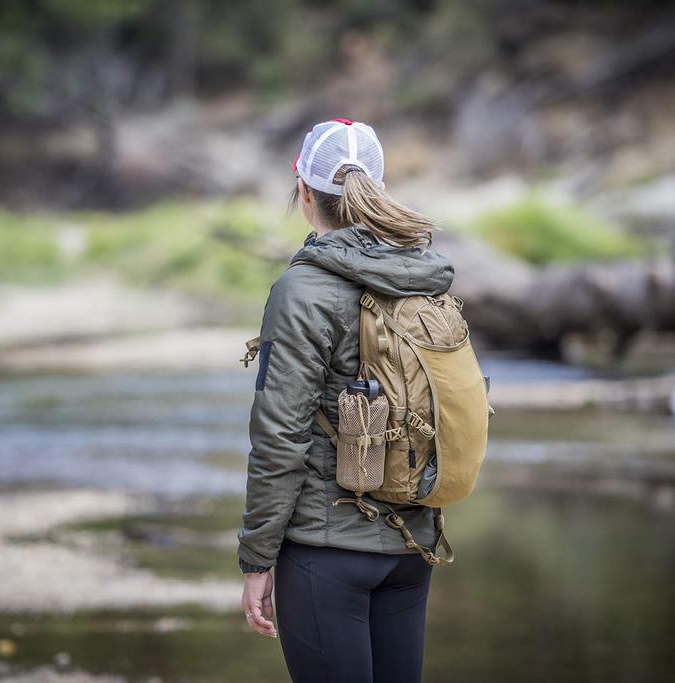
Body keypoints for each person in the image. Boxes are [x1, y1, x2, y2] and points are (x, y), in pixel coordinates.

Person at [237, 119, 456, 683]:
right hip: (411, 544)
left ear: (304, 193)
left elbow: (279, 436)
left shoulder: (302, 291)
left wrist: (258, 558)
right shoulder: (420, 276)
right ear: (376, 190)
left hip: (325, 548)